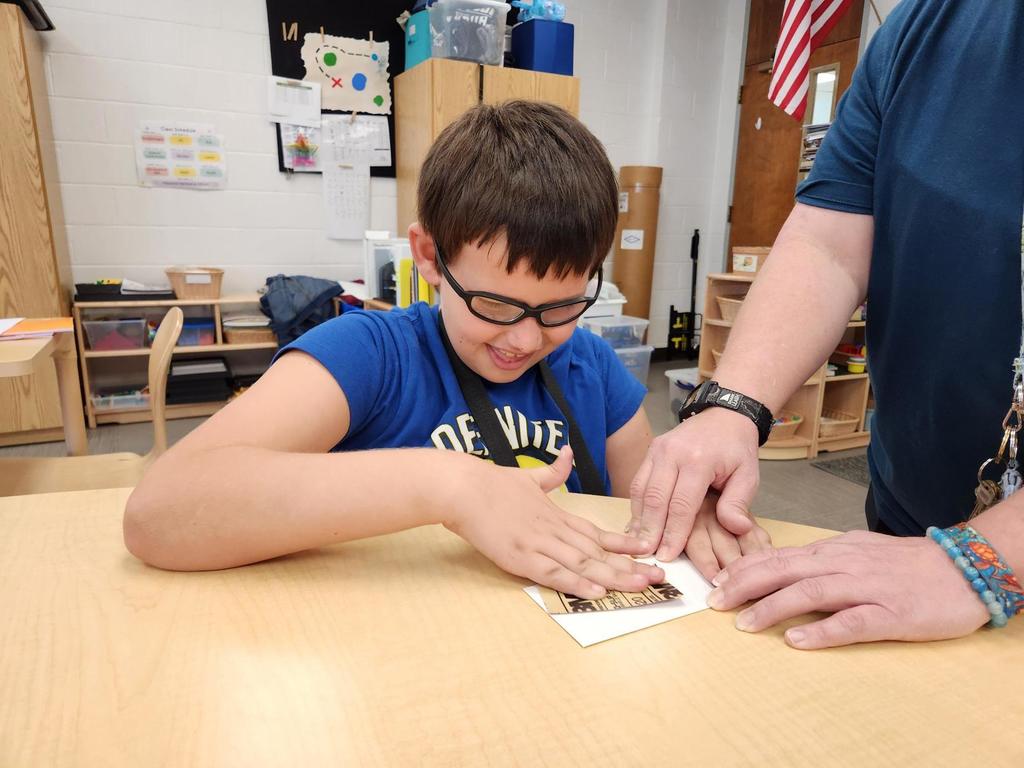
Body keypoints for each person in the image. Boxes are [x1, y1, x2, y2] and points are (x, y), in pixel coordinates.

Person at [124, 100, 771, 592]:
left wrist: (694, 515)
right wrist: (449, 485)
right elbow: (160, 512)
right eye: (494, 305)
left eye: (560, 308)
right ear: (430, 256)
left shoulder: (592, 366)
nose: (525, 338)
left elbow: (648, 512)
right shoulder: (369, 354)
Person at [627, 0, 1024, 648]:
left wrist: (986, 559)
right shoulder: (923, 28)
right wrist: (731, 407)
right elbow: (828, 245)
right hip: (912, 536)